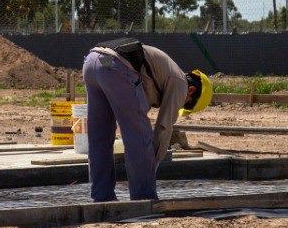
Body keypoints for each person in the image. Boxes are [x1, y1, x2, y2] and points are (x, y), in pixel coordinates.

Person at [80, 38, 212, 202]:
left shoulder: (165, 73)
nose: (180, 106)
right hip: (115, 66)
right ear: (191, 91)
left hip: (92, 63)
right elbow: (163, 127)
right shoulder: (181, 84)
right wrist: (152, 163)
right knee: (140, 137)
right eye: (186, 105)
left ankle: (102, 198)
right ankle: (144, 199)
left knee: (99, 137)